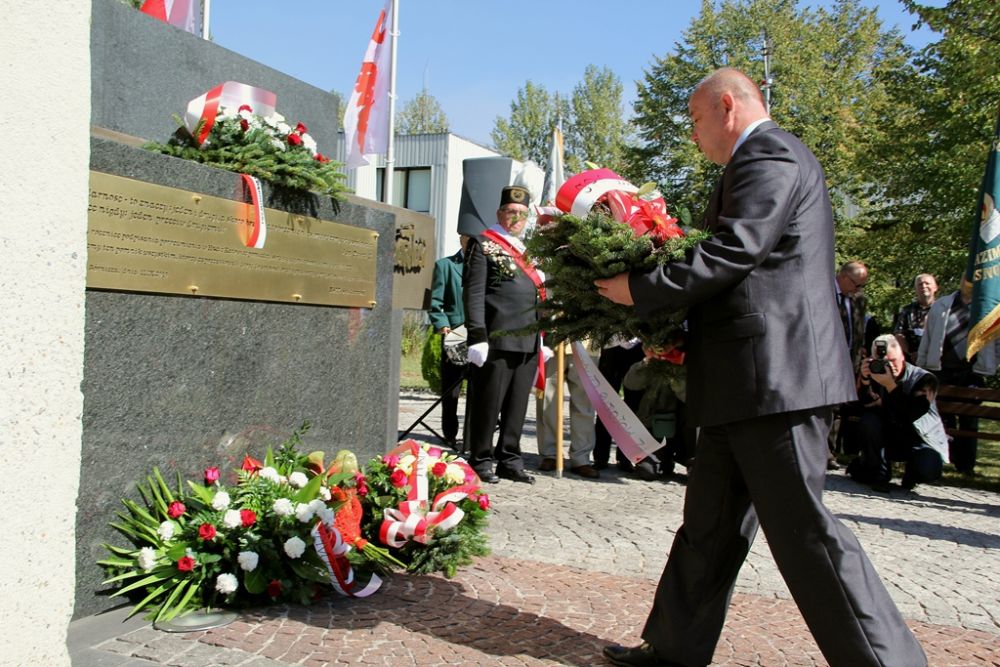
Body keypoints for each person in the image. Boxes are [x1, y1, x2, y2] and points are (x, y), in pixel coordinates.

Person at [594, 68, 926, 667]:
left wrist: (639, 289)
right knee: (709, 527)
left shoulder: (768, 154)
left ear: (728, 106)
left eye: (696, 119)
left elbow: (736, 249)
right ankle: (673, 651)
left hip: (775, 380)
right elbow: (749, 272)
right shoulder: (757, 161)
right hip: (744, 379)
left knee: (805, 534)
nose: (693, 134)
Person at [463, 185, 546, 485]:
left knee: (517, 406)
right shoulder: (483, 244)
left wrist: (544, 338)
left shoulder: (528, 251)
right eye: (511, 212)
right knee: (489, 403)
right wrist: (477, 335)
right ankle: (481, 459)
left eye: (522, 214)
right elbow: (473, 293)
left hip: (528, 340)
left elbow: (538, 296)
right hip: (496, 339)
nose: (516, 219)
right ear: (500, 213)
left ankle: (510, 459)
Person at [917, 277, 1000, 476]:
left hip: (972, 371)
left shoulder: (990, 309)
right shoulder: (941, 305)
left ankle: (966, 466)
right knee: (943, 417)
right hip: (942, 369)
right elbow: (927, 338)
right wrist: (921, 365)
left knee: (969, 418)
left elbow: (997, 343)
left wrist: (992, 362)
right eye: (967, 278)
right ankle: (944, 458)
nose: (970, 283)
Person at [848, 334, 948, 492]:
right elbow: (857, 408)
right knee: (869, 421)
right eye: (885, 362)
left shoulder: (925, 379)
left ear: (903, 356)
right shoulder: (875, 373)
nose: (890, 366)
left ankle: (911, 475)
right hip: (887, 436)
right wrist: (865, 381)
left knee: (928, 469)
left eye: (893, 361)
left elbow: (910, 414)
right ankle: (877, 472)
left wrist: (890, 386)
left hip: (918, 438)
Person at [428, 235, 470, 449]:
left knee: (479, 390)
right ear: (461, 238)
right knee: (451, 390)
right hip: (455, 336)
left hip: (481, 337)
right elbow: (435, 302)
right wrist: (443, 325)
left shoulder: (487, 267)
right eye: (468, 238)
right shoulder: (445, 266)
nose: (472, 243)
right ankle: (450, 433)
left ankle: (472, 436)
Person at [536, 346, 601, 478]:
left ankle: (581, 458)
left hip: (586, 346)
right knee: (547, 402)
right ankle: (550, 454)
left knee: (584, 405)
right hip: (553, 345)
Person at [593, 338, 646, 470]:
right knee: (605, 403)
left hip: (639, 346)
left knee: (633, 405)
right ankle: (600, 456)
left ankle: (625, 457)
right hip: (612, 345)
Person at [893, 273, 938, 362]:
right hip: (912, 360)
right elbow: (899, 333)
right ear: (916, 289)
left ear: (935, 287)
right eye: (920, 284)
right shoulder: (907, 310)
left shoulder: (942, 310)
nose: (923, 286)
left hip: (937, 359)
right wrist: (910, 353)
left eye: (927, 283)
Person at [836, 260, 870, 372]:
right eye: (857, 285)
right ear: (844, 277)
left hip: (851, 365)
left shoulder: (859, 300)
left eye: (862, 286)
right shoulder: (824, 294)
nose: (858, 289)